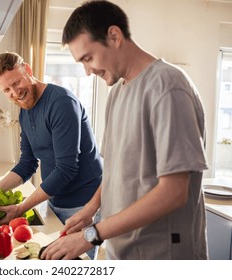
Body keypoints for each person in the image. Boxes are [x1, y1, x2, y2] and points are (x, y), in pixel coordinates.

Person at [40, 0, 208, 260]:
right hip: (122, 250)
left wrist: (92, 234)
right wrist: (91, 208)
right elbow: (116, 169)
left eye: (88, 58)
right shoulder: (117, 92)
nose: (87, 71)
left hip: (162, 256)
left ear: (114, 36)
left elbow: (174, 192)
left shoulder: (167, 85)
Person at [0, 51, 103, 258]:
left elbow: (67, 169)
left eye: (16, 82)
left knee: (75, 265)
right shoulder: (25, 110)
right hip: (55, 201)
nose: (15, 92)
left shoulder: (61, 103)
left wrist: (21, 208)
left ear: (28, 70)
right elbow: (26, 164)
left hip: (84, 205)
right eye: (7, 90)